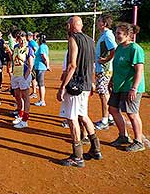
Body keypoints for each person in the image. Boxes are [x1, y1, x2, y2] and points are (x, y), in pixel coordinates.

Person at [57, 16, 102, 168]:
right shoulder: (90, 40)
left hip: (75, 85)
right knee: (83, 115)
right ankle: (96, 148)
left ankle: (77, 156)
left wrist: (63, 86)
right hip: (87, 84)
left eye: (67, 24)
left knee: (72, 118)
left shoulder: (73, 38)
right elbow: (92, 64)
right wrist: (92, 82)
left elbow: (72, 65)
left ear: (71, 25)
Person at [108, 23, 146, 152]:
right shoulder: (119, 48)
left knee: (132, 114)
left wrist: (134, 88)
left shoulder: (135, 49)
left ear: (128, 35)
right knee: (113, 109)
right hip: (119, 85)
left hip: (130, 86)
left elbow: (139, 70)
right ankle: (123, 136)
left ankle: (138, 141)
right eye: (116, 33)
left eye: (119, 33)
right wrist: (112, 80)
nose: (116, 36)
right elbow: (117, 66)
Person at [93, 14, 117, 130]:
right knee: (105, 92)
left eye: (99, 21)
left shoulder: (107, 35)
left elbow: (114, 49)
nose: (97, 23)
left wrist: (106, 60)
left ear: (104, 24)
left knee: (103, 94)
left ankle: (104, 120)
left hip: (104, 70)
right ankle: (110, 118)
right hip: (101, 69)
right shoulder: (104, 35)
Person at [11, 30, 34, 129]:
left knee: (25, 96)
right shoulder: (15, 47)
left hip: (23, 75)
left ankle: (25, 119)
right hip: (15, 74)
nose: (22, 42)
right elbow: (14, 59)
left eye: (24, 40)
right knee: (17, 95)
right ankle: (20, 115)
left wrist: (26, 75)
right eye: (20, 40)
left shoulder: (29, 49)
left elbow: (31, 64)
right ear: (17, 40)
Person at [33, 33, 50, 106]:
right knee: (40, 83)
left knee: (41, 84)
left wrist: (47, 65)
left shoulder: (42, 46)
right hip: (39, 67)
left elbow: (44, 56)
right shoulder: (43, 46)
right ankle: (41, 100)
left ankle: (42, 100)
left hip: (40, 67)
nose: (37, 40)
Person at [27, 32, 39, 99]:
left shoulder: (31, 42)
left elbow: (36, 49)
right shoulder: (32, 42)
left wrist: (33, 56)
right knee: (32, 78)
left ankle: (34, 92)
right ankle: (33, 91)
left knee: (33, 78)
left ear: (29, 37)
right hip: (32, 62)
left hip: (32, 62)